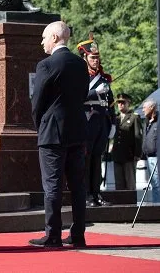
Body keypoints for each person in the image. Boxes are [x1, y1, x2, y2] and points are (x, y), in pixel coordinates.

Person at [29, 21, 89, 248]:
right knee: (77, 185)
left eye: (44, 37)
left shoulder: (46, 64)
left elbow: (37, 102)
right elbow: (83, 95)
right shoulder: (80, 64)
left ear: (54, 37)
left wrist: (40, 125)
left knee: (52, 185)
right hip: (77, 130)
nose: (42, 42)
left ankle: (53, 234)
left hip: (52, 132)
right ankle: (79, 234)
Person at [77, 35, 115, 206]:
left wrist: (113, 123)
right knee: (86, 158)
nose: (96, 61)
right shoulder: (79, 76)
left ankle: (96, 193)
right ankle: (86, 195)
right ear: (84, 57)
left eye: (97, 57)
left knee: (97, 159)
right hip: (86, 121)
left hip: (101, 122)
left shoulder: (103, 79)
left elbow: (111, 103)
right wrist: (94, 92)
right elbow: (76, 97)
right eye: (92, 57)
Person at [113, 93, 142, 191]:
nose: (120, 104)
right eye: (119, 103)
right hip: (117, 155)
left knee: (130, 183)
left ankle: (131, 205)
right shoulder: (115, 119)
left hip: (129, 156)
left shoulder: (134, 117)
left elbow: (138, 136)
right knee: (119, 184)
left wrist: (137, 154)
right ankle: (120, 205)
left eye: (123, 102)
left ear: (128, 103)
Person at [141, 99, 160, 203]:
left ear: (152, 107)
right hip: (149, 157)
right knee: (154, 184)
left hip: (156, 157)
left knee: (157, 184)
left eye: (145, 107)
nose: (143, 110)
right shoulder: (147, 121)